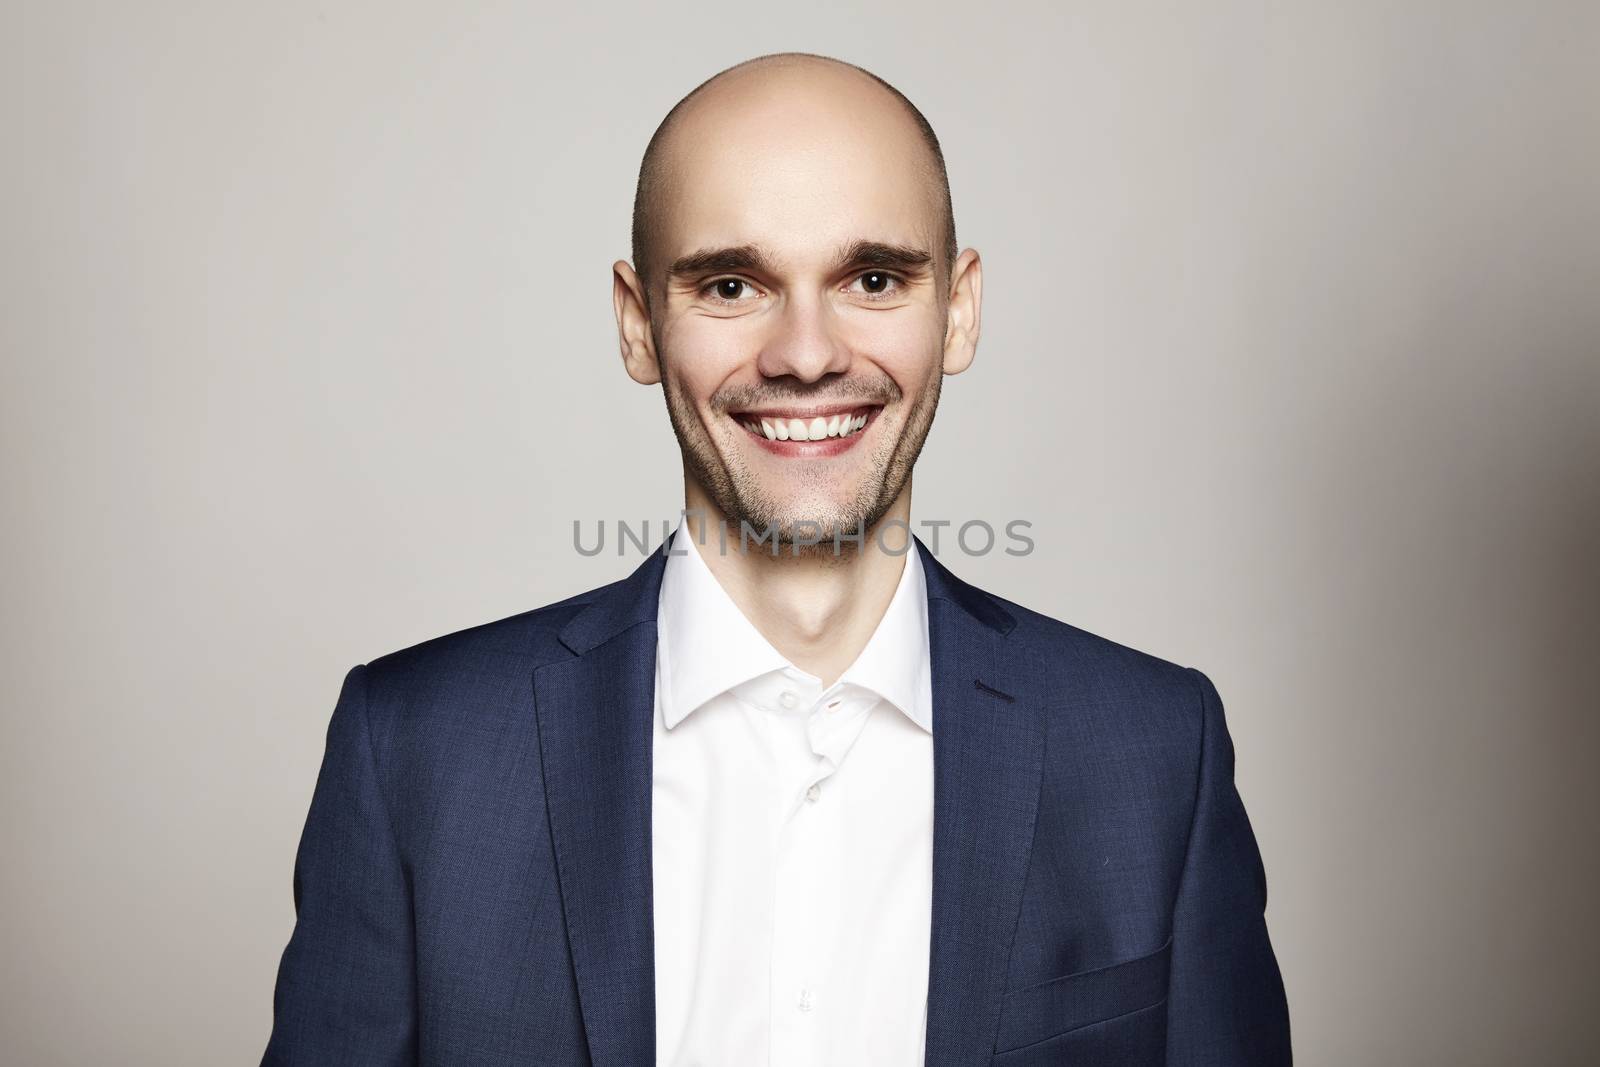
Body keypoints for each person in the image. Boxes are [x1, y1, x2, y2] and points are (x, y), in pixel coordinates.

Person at [262, 51, 1291, 1066]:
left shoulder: (1156, 754)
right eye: (730, 284)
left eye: (874, 277)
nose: (806, 352)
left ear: (959, 309)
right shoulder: (414, 753)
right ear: (637, 325)